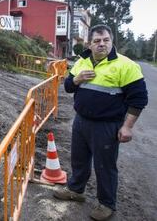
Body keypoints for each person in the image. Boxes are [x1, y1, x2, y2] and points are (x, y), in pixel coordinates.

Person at [53, 24, 148, 220]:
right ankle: (76, 190)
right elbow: (69, 87)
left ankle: (106, 204)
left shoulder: (126, 65)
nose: (101, 44)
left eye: (106, 40)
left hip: (107, 126)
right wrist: (77, 79)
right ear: (90, 43)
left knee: (105, 166)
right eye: (97, 41)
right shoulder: (82, 61)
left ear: (112, 42)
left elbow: (139, 99)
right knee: (78, 159)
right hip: (81, 121)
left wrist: (127, 127)